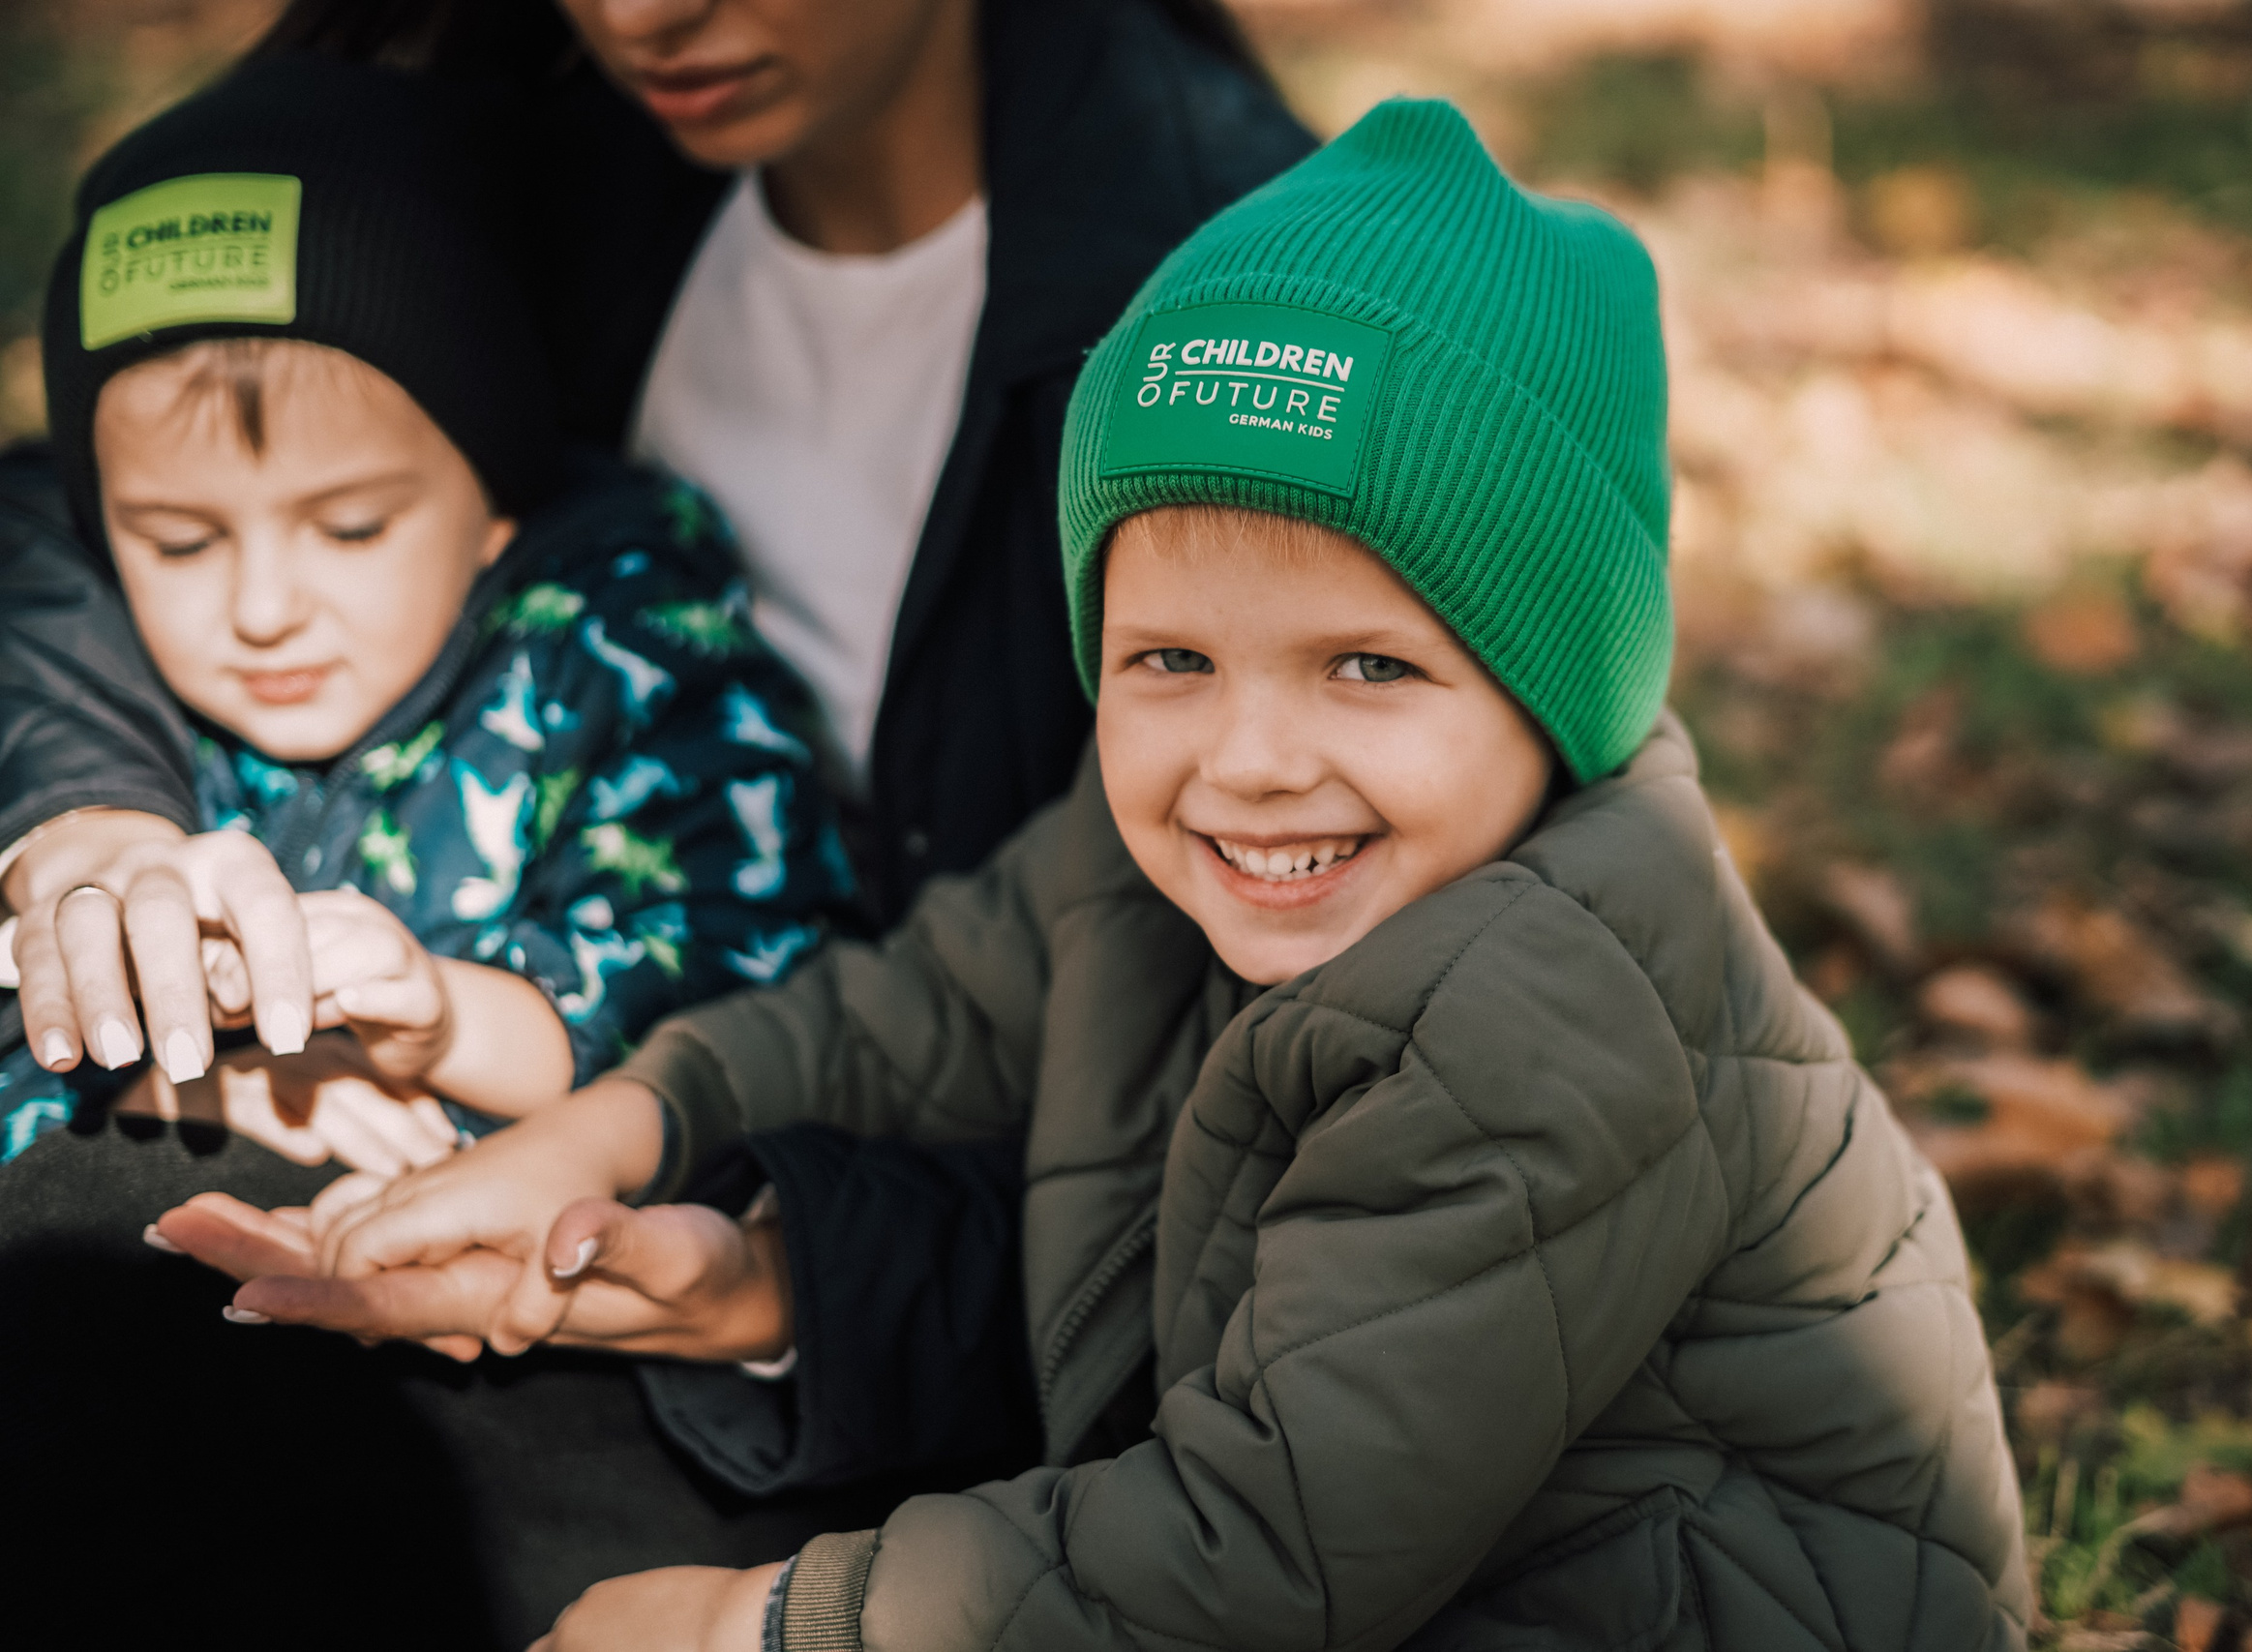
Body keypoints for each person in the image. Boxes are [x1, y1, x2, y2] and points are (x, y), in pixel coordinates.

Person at [183, 101, 2034, 1652]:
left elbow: (1264, 1548)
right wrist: (610, 1134)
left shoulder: (1542, 1006)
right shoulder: (1162, 841)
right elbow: (909, 1011)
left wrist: (760, 1627)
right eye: (1170, 659)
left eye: (1368, 667)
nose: (1246, 756)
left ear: (1556, 688)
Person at [0, 1, 1312, 1641]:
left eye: (347, 527)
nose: (643, 15)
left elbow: (1225, 1183)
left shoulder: (1234, 317)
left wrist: (774, 1281)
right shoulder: (537, 113)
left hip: (835, 1312)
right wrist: (88, 825)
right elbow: (117, 456)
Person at [5, 52, 837, 1176]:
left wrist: (446, 1022)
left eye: (350, 529)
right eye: (180, 541)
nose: (261, 611)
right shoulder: (92, 693)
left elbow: (753, 998)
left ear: (495, 502)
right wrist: (158, 1080)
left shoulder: (623, 672)